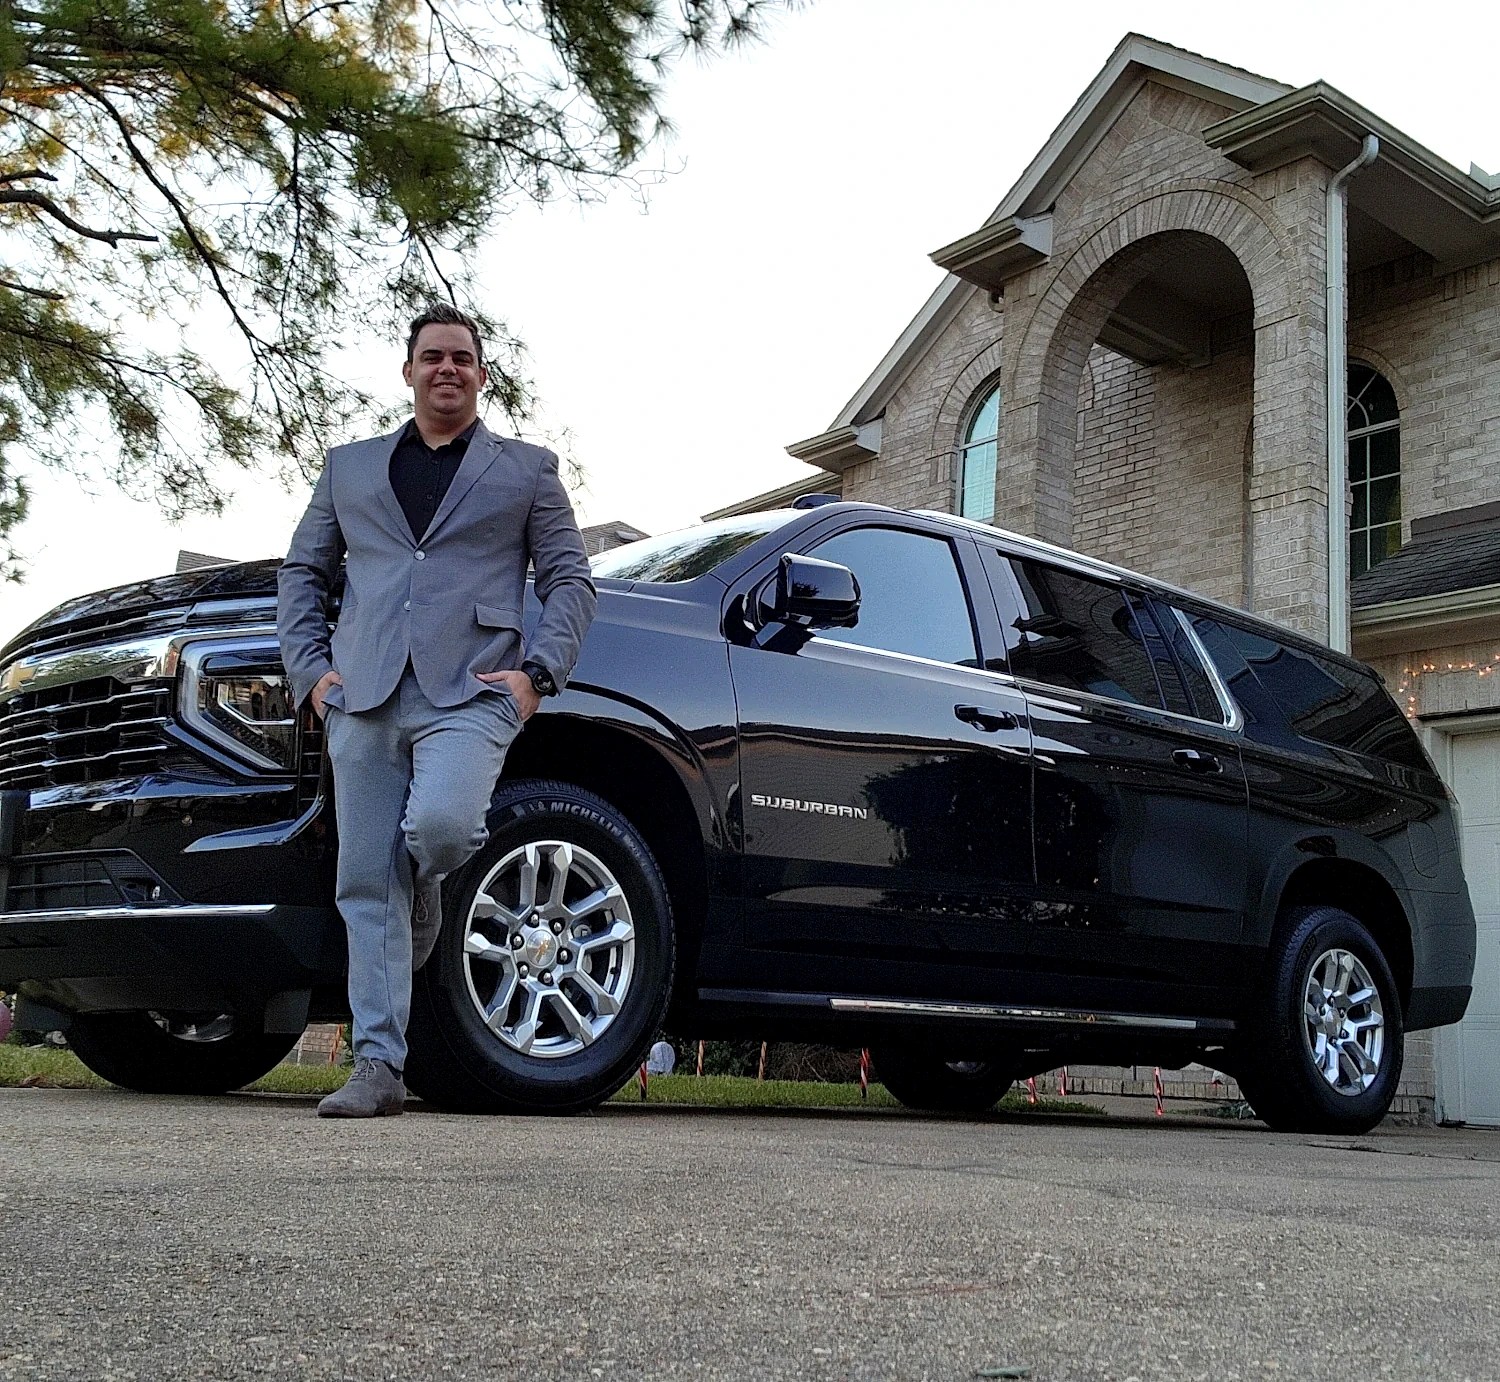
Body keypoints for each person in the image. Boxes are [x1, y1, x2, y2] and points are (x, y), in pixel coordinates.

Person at [277, 303, 596, 1118]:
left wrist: (537, 676)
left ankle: (426, 889)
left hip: (474, 689)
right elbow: (303, 573)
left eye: (461, 358)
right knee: (364, 880)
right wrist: (312, 675)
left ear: (481, 375)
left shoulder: (527, 470)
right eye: (432, 357)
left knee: (443, 830)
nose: (446, 368)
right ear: (409, 370)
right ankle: (378, 1066)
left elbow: (570, 578)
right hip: (363, 693)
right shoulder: (349, 468)